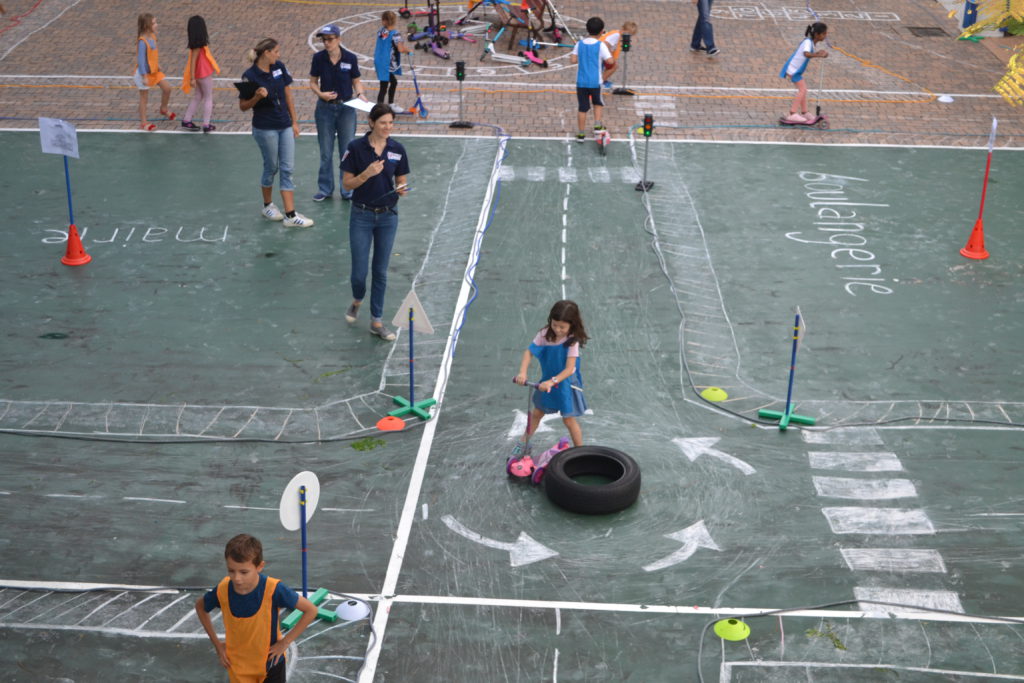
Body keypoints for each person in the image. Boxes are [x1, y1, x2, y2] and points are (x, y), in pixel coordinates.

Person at [195, 534, 318, 683]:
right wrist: (218, 646)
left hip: (271, 663)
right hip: (238, 667)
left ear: (260, 566)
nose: (237, 578)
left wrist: (284, 643)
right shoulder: (223, 590)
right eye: (231, 571)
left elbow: (311, 610)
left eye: (244, 572)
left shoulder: (274, 589)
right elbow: (200, 607)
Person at [341, 104, 409, 341]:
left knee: (380, 270)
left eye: (391, 123)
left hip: (388, 216)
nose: (387, 127)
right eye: (383, 123)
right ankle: (357, 299)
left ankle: (376, 321)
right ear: (371, 122)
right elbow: (347, 184)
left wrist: (402, 188)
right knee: (359, 272)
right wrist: (366, 174)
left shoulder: (397, 149)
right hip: (361, 215)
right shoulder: (355, 149)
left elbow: (401, 177)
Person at [239, 38, 314, 228]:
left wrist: (294, 121)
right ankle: (267, 205)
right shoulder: (250, 76)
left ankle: (290, 215)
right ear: (267, 53)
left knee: (287, 169)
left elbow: (288, 94)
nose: (279, 55)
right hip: (265, 128)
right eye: (276, 51)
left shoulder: (279, 67)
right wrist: (256, 96)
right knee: (271, 167)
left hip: (285, 125)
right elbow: (243, 106)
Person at [513, 300, 590, 451]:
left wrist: (552, 381)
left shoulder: (572, 341)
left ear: (572, 325)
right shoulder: (544, 334)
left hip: (566, 384)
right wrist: (522, 372)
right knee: (537, 414)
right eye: (555, 325)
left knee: (568, 420)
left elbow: (569, 369)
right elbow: (529, 352)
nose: (557, 330)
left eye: (562, 327)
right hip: (548, 381)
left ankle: (580, 451)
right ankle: (523, 443)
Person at [309, 24, 366, 203]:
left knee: (346, 151)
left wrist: (361, 94)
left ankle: (347, 189)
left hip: (346, 109)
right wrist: (321, 94)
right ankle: (325, 189)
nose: (326, 43)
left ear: (339, 39)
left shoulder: (350, 58)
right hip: (324, 110)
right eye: (324, 40)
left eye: (330, 39)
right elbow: (312, 82)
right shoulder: (318, 58)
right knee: (326, 151)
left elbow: (356, 81)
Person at [570, 17, 613, 143]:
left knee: (582, 107)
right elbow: (610, 61)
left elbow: (573, 60)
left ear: (587, 30)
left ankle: (581, 134)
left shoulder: (579, 44)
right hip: (595, 82)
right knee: (598, 103)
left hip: (581, 82)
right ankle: (597, 125)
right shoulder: (601, 45)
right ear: (602, 31)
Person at [780, 22, 828, 123]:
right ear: (816, 34)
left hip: (796, 70)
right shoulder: (807, 42)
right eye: (823, 33)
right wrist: (818, 55)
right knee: (803, 90)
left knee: (803, 90)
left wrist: (819, 53)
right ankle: (792, 113)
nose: (825, 35)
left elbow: (810, 53)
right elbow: (806, 54)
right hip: (793, 70)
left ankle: (804, 112)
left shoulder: (811, 43)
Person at [135, 13, 175, 131]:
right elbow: (141, 61)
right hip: (144, 74)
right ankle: (143, 122)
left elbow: (152, 55)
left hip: (154, 71)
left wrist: (157, 65)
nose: (156, 25)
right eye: (154, 23)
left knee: (167, 88)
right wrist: (144, 76)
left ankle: (163, 109)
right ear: (147, 26)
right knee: (144, 98)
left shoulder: (152, 37)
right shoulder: (142, 41)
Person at [181, 15, 220, 133]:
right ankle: (206, 124)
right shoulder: (198, 46)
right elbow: (193, 61)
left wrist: (194, 77)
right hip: (204, 73)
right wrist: (192, 78)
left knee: (198, 96)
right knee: (208, 97)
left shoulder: (195, 45)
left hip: (199, 74)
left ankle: (187, 119)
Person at [373, 11, 409, 106]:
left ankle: (386, 104)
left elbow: (385, 38)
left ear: (384, 21)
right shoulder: (396, 34)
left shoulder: (381, 31)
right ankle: (384, 105)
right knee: (386, 85)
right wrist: (408, 51)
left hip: (380, 61)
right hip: (387, 63)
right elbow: (400, 49)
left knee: (389, 83)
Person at [599, 21, 638, 90]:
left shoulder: (619, 35)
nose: (628, 35)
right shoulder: (616, 35)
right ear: (622, 29)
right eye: (627, 33)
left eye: (630, 34)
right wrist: (609, 57)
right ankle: (599, 82)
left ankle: (602, 80)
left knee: (610, 66)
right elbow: (606, 44)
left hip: (601, 55)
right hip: (600, 55)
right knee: (613, 66)